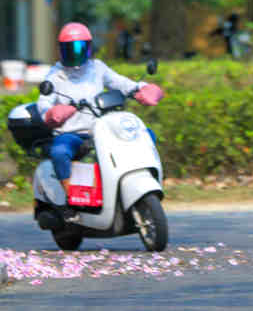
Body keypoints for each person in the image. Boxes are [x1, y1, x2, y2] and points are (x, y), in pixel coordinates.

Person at [37, 22, 163, 205]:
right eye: (70, 49)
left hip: (102, 130)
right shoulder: (55, 75)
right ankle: (71, 198)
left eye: (80, 48)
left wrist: (142, 88)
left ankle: (138, 184)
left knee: (145, 136)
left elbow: (121, 83)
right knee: (59, 152)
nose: (75, 53)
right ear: (61, 50)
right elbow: (43, 104)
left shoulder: (97, 67)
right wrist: (52, 113)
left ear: (88, 48)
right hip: (72, 134)